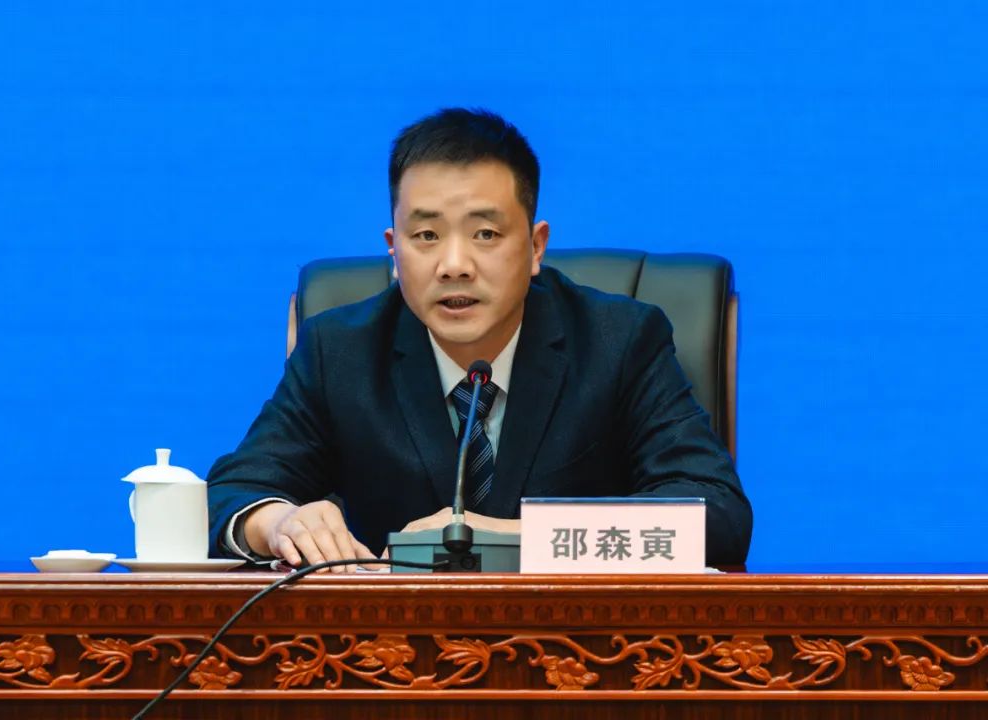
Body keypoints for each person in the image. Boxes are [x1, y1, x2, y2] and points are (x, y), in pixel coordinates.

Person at [207, 108, 752, 571]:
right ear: (394, 251)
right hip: (390, 649)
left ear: (535, 247)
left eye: (485, 234)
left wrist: (517, 538)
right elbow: (231, 495)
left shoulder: (620, 342)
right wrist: (278, 521)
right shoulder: (339, 351)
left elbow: (718, 515)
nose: (454, 265)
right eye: (426, 235)